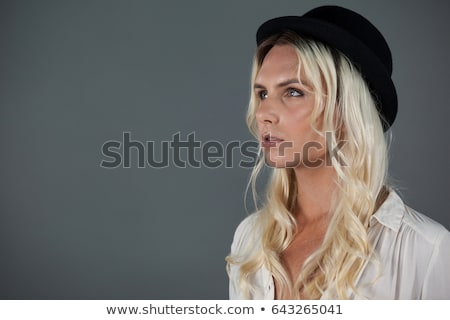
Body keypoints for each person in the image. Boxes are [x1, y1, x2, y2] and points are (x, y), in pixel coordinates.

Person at [225, 5, 450, 300]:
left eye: (293, 91)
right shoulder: (250, 239)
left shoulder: (427, 252)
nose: (264, 112)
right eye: (262, 93)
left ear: (347, 111)